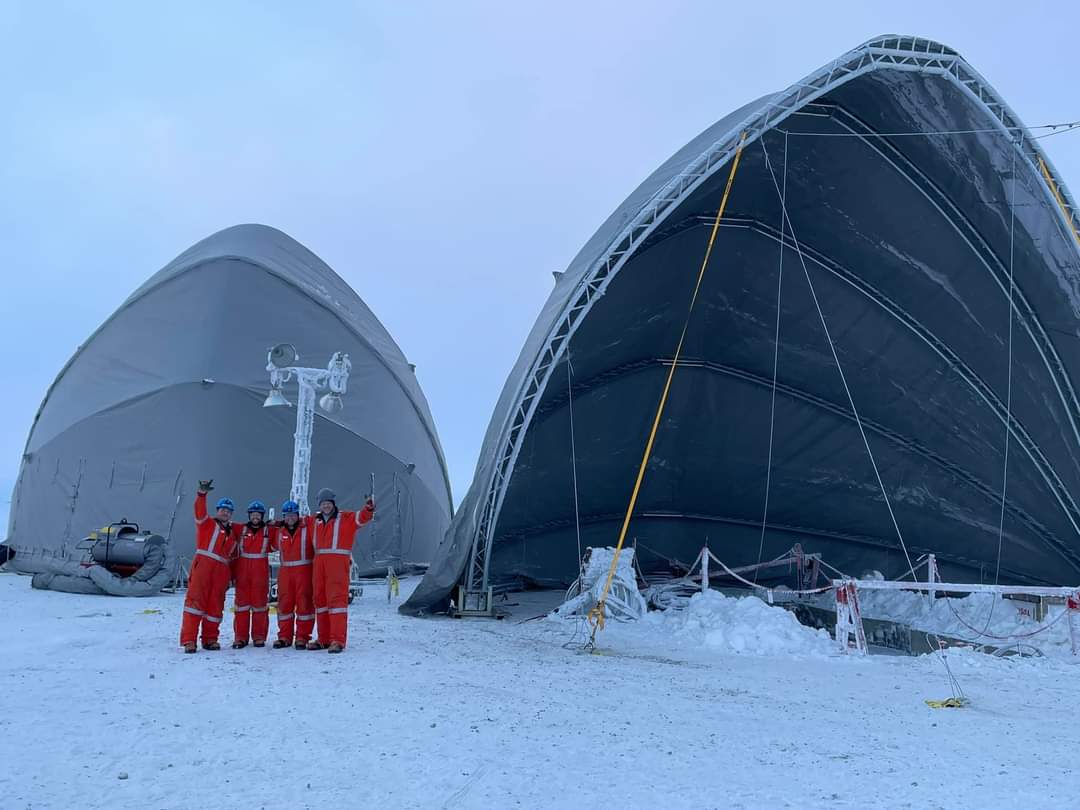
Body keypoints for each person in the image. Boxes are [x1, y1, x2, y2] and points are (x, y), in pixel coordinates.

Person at [309, 487, 375, 653]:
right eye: (323, 504)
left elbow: (362, 518)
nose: (326, 506)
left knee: (337, 603)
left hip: (337, 566)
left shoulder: (345, 518)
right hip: (319, 565)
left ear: (333, 503)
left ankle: (337, 640)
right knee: (321, 602)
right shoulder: (313, 521)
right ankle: (323, 639)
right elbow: (294, 523)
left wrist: (368, 507)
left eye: (328, 503)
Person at [180, 480, 241, 653]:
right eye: (223, 510)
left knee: (215, 605)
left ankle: (210, 638)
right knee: (195, 602)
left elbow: (234, 559)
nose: (225, 513)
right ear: (218, 511)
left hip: (221, 571)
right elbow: (199, 510)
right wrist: (201, 494)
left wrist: (232, 577)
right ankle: (189, 640)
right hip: (203, 567)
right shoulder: (207, 524)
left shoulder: (233, 537)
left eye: (228, 511)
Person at [269, 500, 315, 649]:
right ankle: (284, 636)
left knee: (304, 605)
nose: (290, 518)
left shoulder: (306, 529)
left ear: (297, 515)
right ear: (284, 516)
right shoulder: (279, 532)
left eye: (293, 515)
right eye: (287, 515)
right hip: (285, 573)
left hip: (304, 571)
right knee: (284, 605)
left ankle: (302, 637)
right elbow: (269, 545)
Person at [231, 499, 273, 649]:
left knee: (260, 607)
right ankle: (240, 637)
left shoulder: (269, 531)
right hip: (242, 574)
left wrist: (276, 522)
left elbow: (286, 526)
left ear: (262, 516)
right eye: (253, 514)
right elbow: (223, 524)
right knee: (241, 607)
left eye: (258, 514)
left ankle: (259, 637)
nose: (255, 517)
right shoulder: (240, 529)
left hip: (260, 575)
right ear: (249, 515)